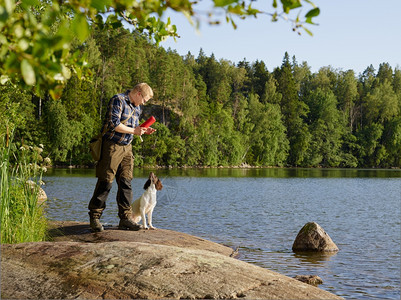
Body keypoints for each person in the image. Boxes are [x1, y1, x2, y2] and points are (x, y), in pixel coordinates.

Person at [88, 83, 155, 232]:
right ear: (138, 93)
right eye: (144, 100)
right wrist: (134, 130)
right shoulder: (118, 100)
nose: (143, 103)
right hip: (112, 146)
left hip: (127, 148)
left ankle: (125, 219)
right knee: (105, 182)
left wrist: (143, 130)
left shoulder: (137, 108)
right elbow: (114, 124)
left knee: (126, 183)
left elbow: (133, 129)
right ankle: (95, 217)